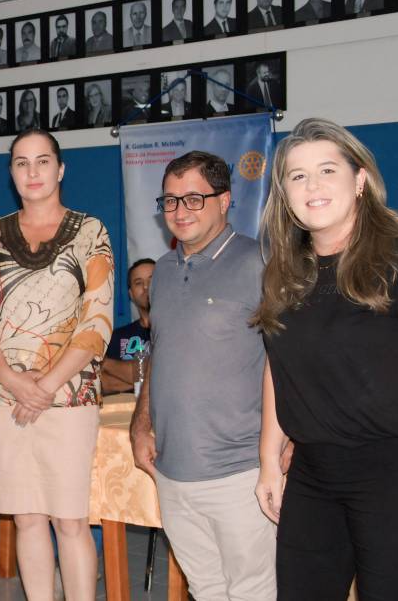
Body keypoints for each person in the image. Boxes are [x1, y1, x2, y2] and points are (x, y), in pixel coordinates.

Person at [252, 118, 398, 600]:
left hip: (397, 470)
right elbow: (280, 367)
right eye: (298, 176)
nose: (312, 186)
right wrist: (269, 460)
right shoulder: (284, 273)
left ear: (360, 181)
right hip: (312, 472)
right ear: (284, 194)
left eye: (327, 170)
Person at [0, 129, 113, 600]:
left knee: (70, 520)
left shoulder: (90, 231)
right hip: (5, 397)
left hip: (69, 397)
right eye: (21, 163)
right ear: (11, 173)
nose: (32, 172)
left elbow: (97, 322)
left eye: (42, 161)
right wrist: (13, 381)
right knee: (26, 517)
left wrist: (45, 386)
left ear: (60, 169)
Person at [130, 151, 275, 600]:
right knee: (205, 588)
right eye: (170, 201)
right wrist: (141, 424)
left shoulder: (262, 262)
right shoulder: (163, 271)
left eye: (194, 199)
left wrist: (284, 448)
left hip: (240, 472)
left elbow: (289, 361)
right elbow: (160, 350)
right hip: (173, 471)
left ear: (224, 200)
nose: (180, 211)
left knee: (252, 591)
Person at [101, 259, 154, 394]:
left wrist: (105, 363)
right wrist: (146, 380)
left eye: (152, 280)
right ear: (131, 294)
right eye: (138, 283)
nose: (146, 287)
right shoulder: (115, 337)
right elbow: (102, 382)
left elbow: (164, 374)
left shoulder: (178, 330)